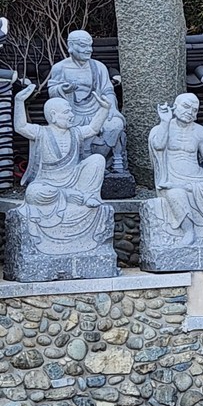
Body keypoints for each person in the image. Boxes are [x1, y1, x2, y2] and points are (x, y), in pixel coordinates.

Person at [13, 80, 112, 247]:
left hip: (74, 179)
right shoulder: (41, 132)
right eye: (67, 112)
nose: (72, 115)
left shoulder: (75, 132)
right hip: (48, 184)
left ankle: (88, 196)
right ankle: (67, 196)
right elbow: (20, 127)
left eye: (71, 111)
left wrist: (104, 109)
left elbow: (93, 129)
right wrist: (19, 101)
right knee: (33, 193)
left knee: (97, 159)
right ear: (53, 115)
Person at [148, 93, 203, 245]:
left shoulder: (200, 131)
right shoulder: (161, 128)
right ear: (175, 106)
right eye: (186, 107)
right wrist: (165, 122)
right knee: (176, 194)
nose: (190, 112)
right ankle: (189, 230)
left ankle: (188, 189)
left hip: (196, 178)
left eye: (194, 110)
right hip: (172, 179)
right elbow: (158, 146)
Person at [47, 29, 127, 172]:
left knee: (115, 124)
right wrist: (63, 89)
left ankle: (109, 161)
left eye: (90, 45)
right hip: (72, 113)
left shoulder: (99, 67)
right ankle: (82, 162)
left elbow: (108, 90)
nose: (89, 50)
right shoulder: (60, 68)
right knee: (65, 130)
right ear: (71, 46)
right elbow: (52, 91)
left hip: (97, 110)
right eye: (83, 46)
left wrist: (112, 109)